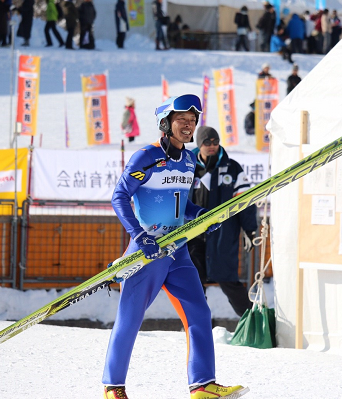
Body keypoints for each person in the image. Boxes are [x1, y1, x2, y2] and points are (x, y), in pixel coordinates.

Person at [103, 94, 249, 399]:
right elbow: (119, 197)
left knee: (199, 312)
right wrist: (140, 237)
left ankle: (203, 384)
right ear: (166, 124)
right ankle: (113, 387)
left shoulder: (189, 160)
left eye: (192, 120)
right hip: (148, 251)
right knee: (130, 319)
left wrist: (206, 218)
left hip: (178, 250)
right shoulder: (146, 156)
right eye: (182, 120)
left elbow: (184, 206)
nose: (188, 125)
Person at [187, 126, 258, 318]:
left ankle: (252, 321)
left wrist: (250, 231)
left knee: (229, 281)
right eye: (207, 142)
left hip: (223, 236)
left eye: (215, 142)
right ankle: (199, 327)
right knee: (194, 284)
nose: (212, 146)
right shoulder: (188, 168)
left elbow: (246, 202)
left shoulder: (232, 168)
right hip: (194, 238)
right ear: (199, 144)